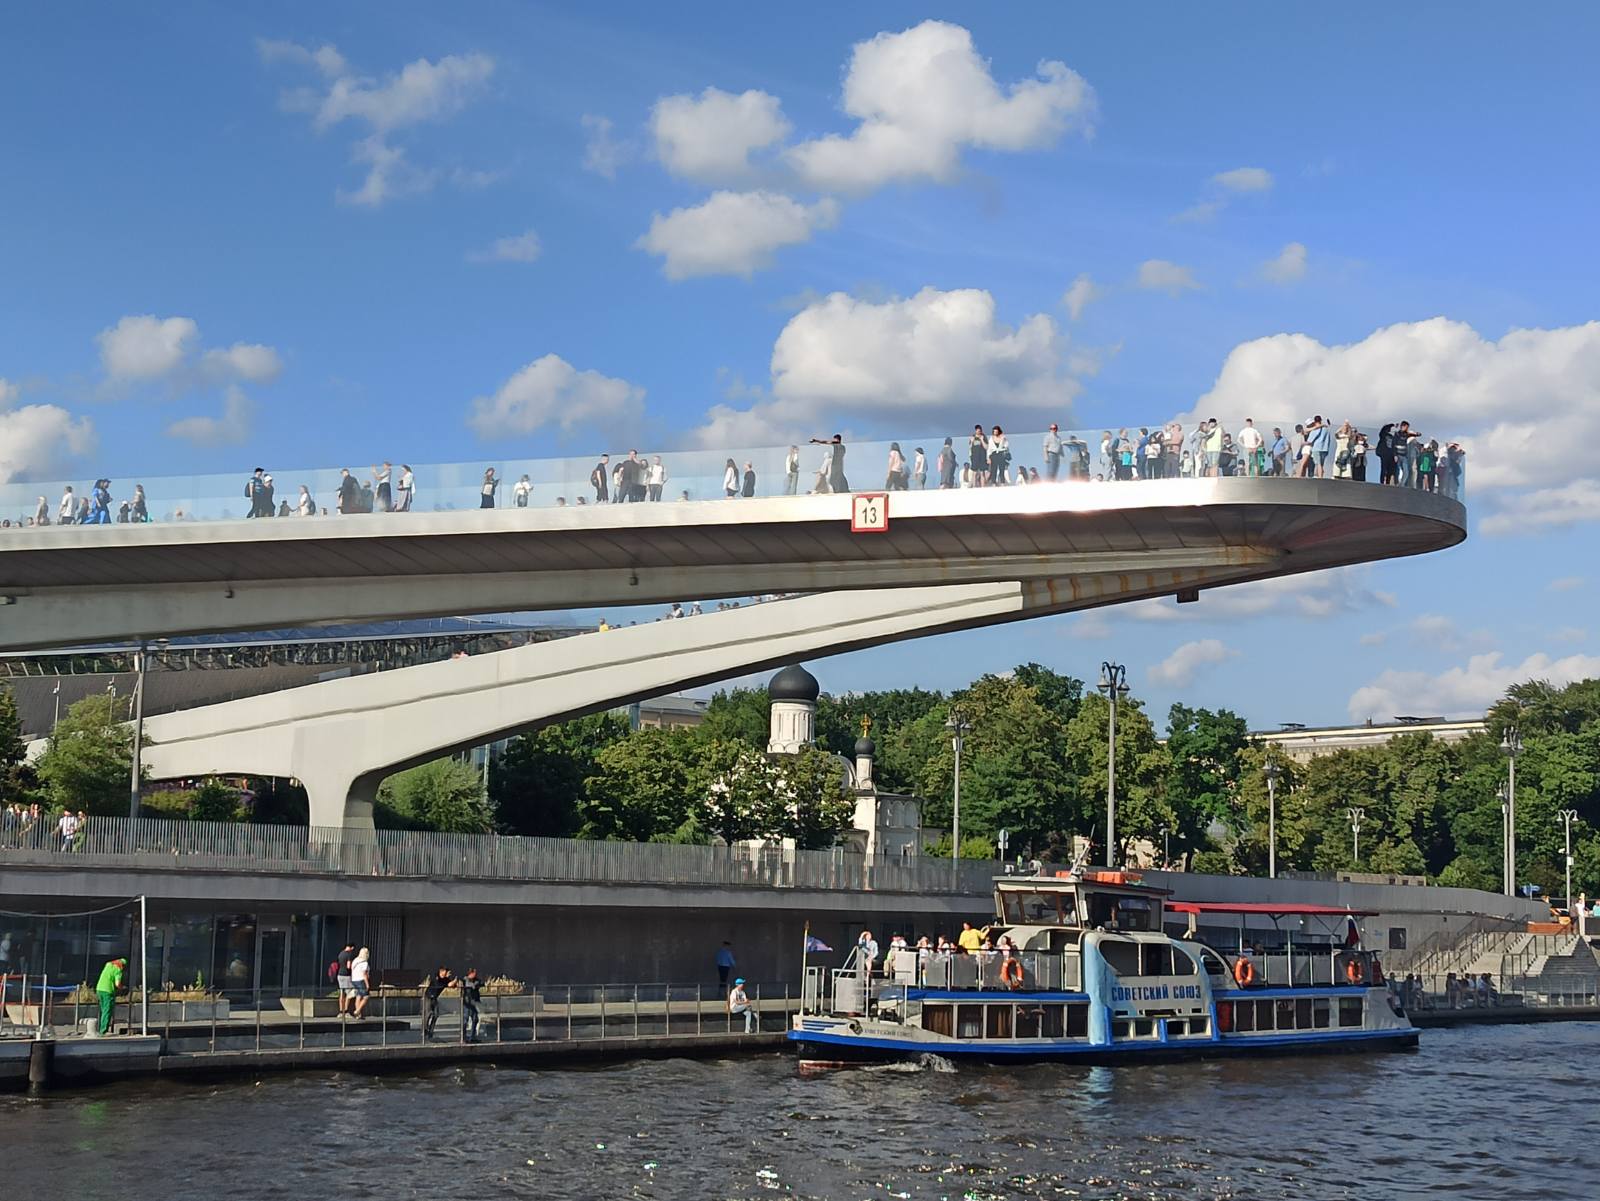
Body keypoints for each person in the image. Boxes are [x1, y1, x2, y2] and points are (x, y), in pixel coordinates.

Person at [95, 956, 127, 1034]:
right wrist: (123, 987)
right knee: (107, 1011)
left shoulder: (108, 964)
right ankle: (103, 1031)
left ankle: (99, 1029)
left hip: (99, 989)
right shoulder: (118, 970)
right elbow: (117, 984)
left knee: (102, 1010)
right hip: (107, 991)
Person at [422, 966, 454, 1040]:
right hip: (428, 997)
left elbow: (451, 985)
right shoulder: (436, 976)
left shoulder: (446, 979)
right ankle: (424, 1030)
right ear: (441, 971)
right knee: (428, 1014)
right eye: (445, 972)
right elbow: (438, 981)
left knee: (436, 1014)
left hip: (435, 998)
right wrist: (445, 977)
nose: (446, 974)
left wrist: (454, 980)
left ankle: (430, 1031)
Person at [459, 968, 482, 1042]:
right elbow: (468, 985)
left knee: (475, 1019)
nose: (475, 974)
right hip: (467, 1003)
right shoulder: (465, 979)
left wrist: (476, 984)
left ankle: (472, 1036)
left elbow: (480, 983)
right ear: (470, 973)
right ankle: (463, 1037)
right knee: (465, 1020)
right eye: (474, 973)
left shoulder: (476, 980)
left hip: (473, 1003)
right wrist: (473, 985)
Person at [350, 947, 372, 1019]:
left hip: (354, 980)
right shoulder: (364, 963)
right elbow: (364, 974)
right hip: (361, 980)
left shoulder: (355, 960)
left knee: (358, 996)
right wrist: (367, 984)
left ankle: (358, 1015)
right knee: (366, 996)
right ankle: (357, 1010)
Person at [335, 942, 356, 1016]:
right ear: (352, 947)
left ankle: (341, 1011)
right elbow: (348, 966)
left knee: (342, 993)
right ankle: (346, 1011)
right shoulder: (349, 954)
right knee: (349, 994)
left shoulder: (341, 953)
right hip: (346, 975)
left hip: (340, 975)